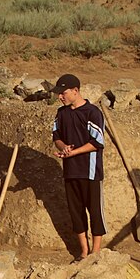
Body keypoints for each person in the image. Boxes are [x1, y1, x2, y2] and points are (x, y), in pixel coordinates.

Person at [50, 73, 106, 260]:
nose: (60, 96)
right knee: (76, 212)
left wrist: (73, 153)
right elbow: (56, 136)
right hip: (70, 171)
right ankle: (84, 251)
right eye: (59, 93)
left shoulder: (92, 113)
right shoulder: (61, 113)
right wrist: (63, 148)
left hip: (90, 172)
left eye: (63, 93)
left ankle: (95, 252)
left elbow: (97, 142)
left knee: (95, 211)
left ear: (75, 91)